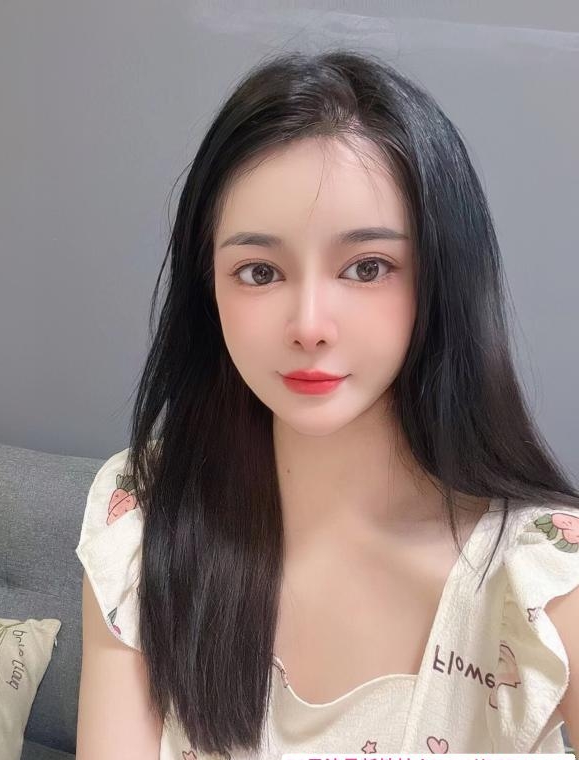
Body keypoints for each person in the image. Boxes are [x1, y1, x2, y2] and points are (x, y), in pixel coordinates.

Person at [74, 48, 579, 759]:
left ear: (443, 278)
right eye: (259, 272)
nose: (309, 324)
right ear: (207, 291)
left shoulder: (543, 582)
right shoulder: (144, 516)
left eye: (367, 267)